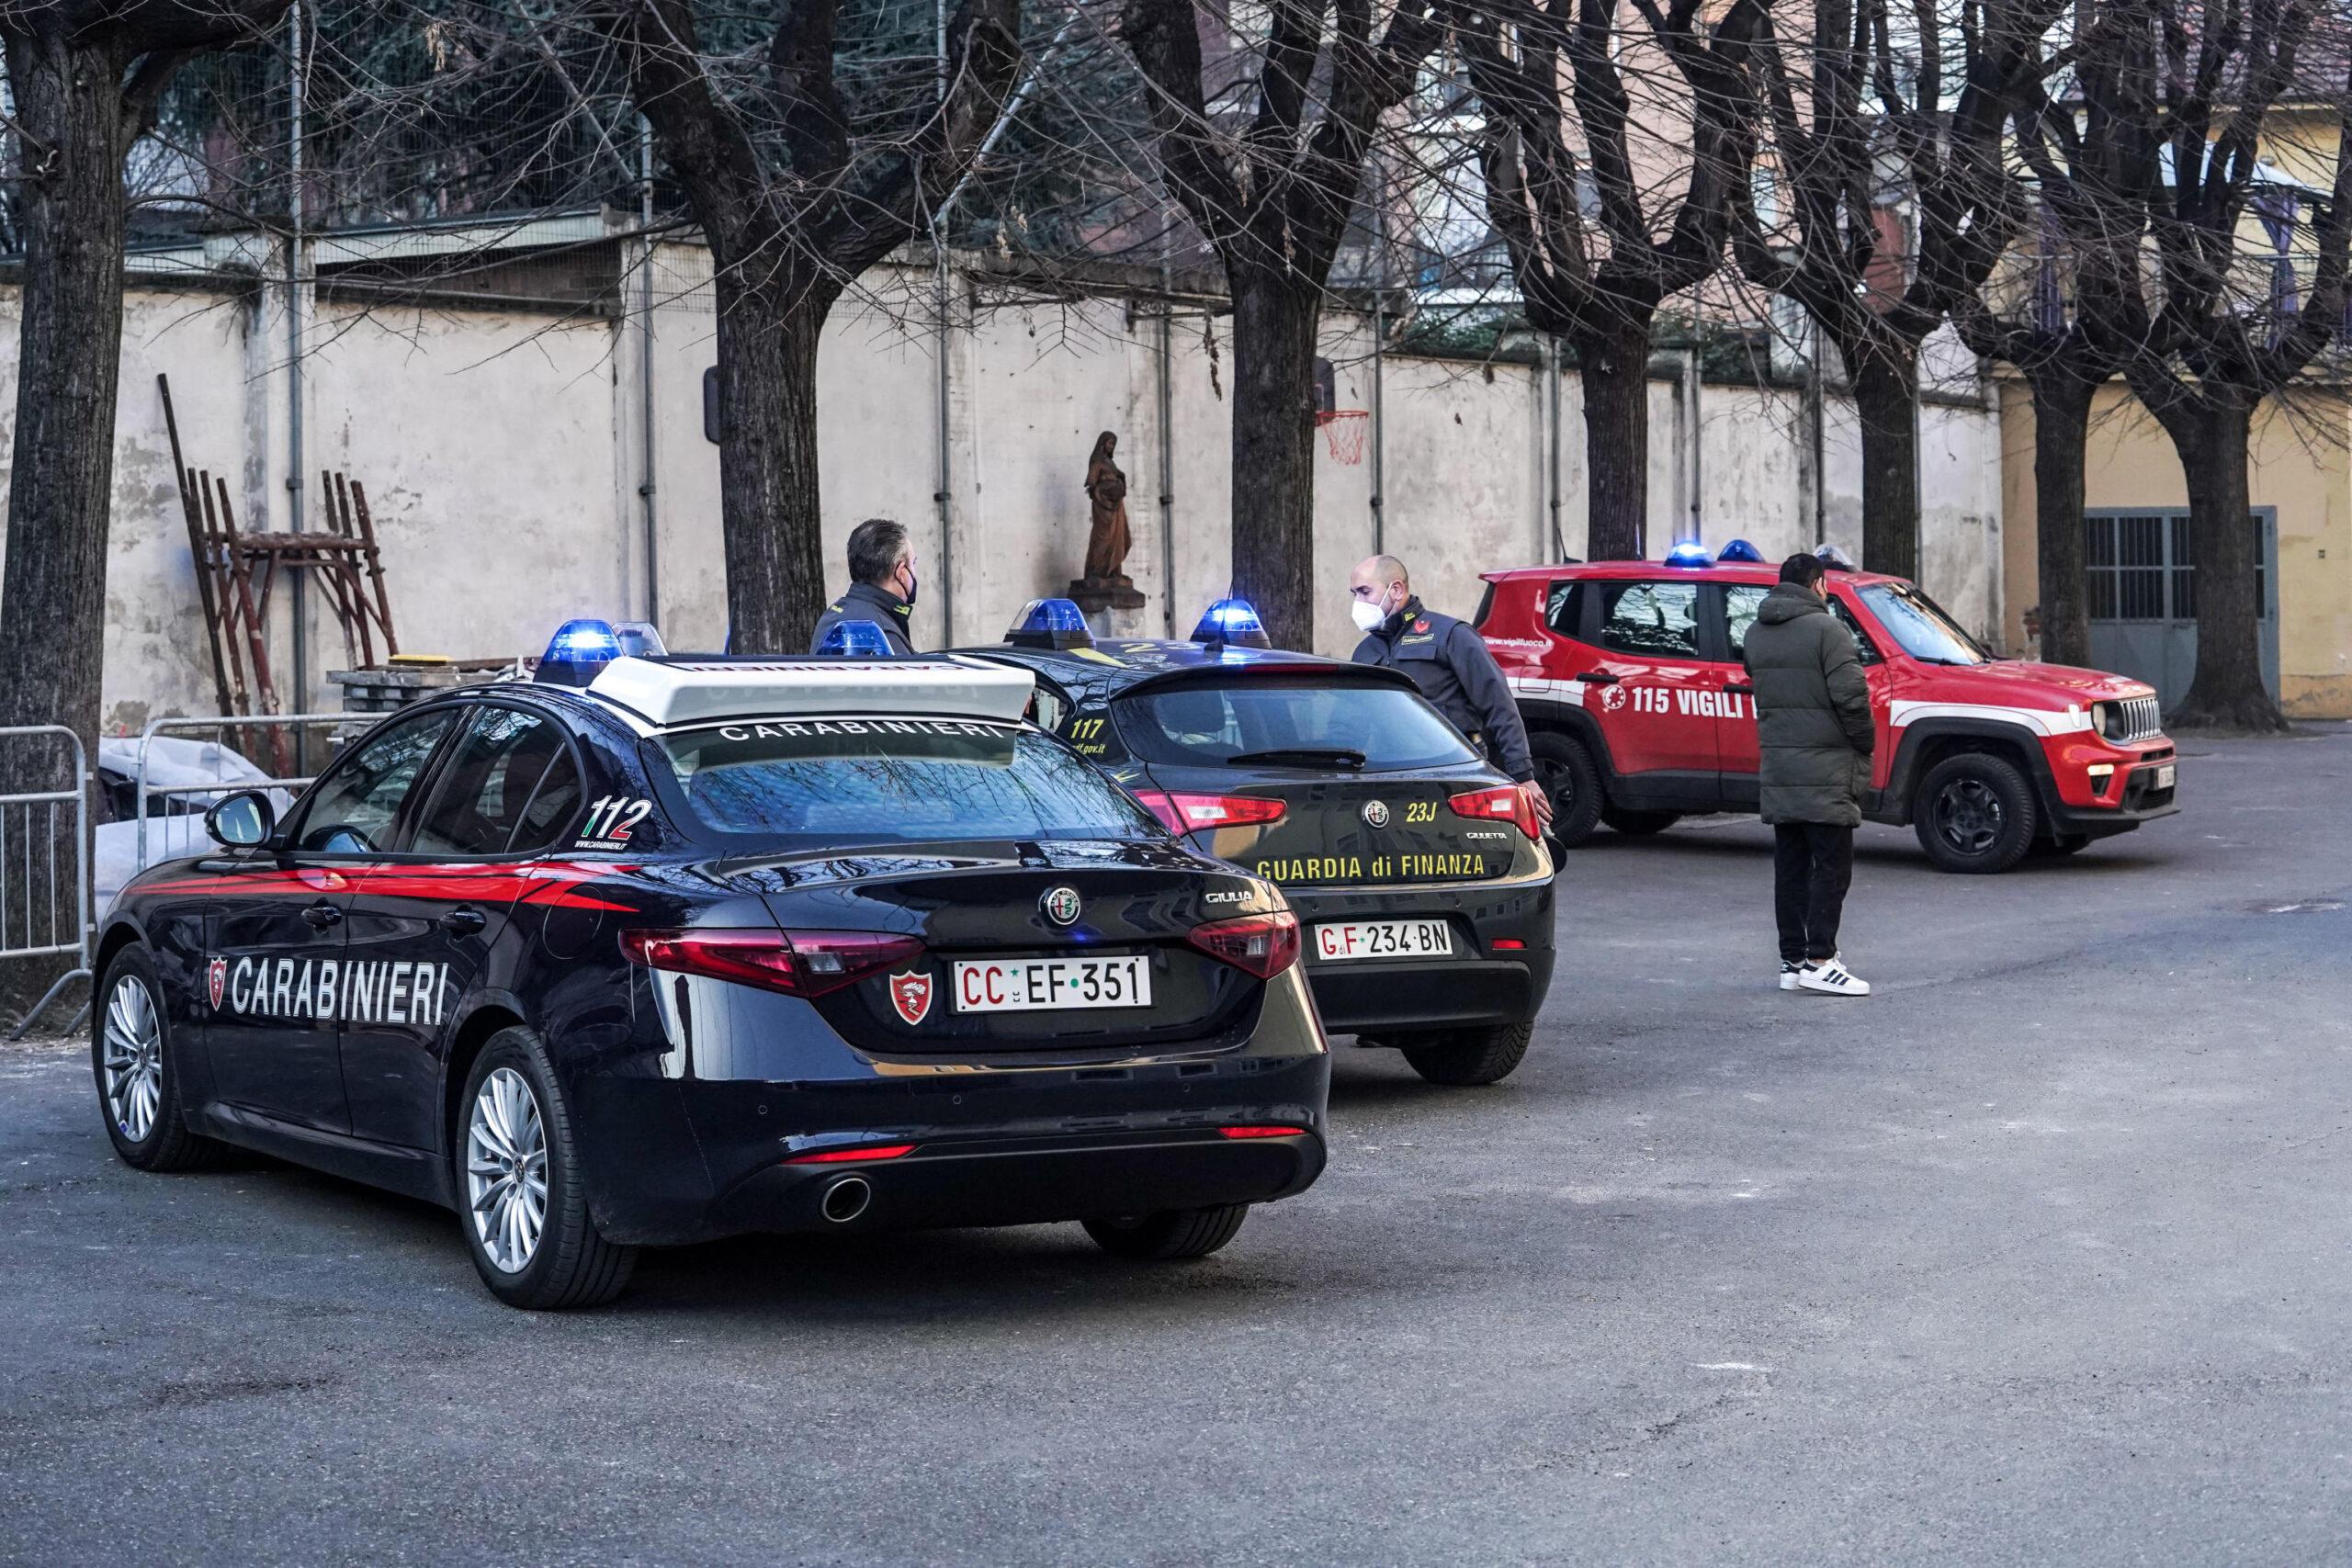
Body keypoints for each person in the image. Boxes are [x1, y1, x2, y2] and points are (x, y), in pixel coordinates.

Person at [1743, 552, 1874, 996]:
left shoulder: (1756, 633)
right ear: (1818, 584)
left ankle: (1792, 961)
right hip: (1827, 766)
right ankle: (1821, 958)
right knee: (1832, 866)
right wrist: (1863, 743)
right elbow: (1852, 698)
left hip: (1780, 765)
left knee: (1792, 867)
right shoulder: (1829, 631)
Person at [1349, 555, 1551, 830]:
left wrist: (1523, 775)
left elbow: (1498, 705)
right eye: (1355, 594)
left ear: (1395, 589)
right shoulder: (1365, 651)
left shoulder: (1450, 635)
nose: (1358, 603)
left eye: (1365, 592)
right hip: (1387, 777)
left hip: (1454, 773)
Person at [811, 518, 919, 656]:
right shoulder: (881, 634)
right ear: (901, 572)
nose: (914, 573)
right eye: (913, 564)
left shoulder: (833, 614)